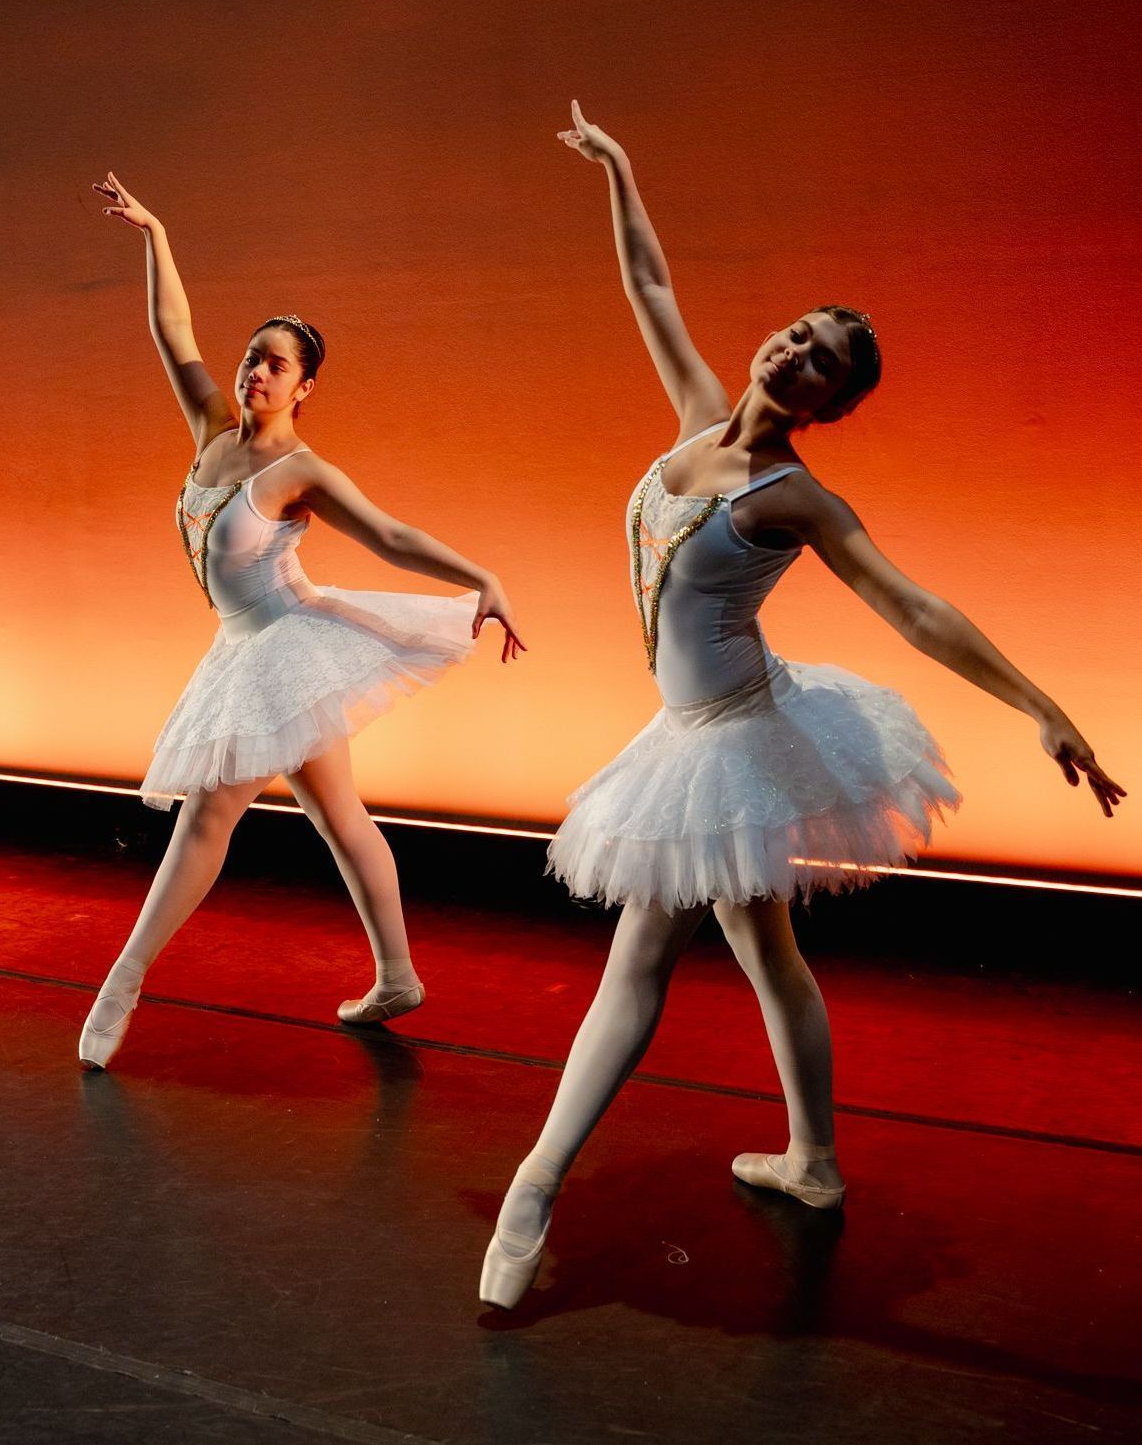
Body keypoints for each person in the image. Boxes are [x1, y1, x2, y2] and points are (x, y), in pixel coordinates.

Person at [479, 102, 1124, 1309]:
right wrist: (620, 165)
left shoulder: (794, 495)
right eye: (791, 333)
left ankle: (534, 1187)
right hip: (692, 736)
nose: (790, 353)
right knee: (768, 953)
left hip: (731, 742)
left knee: (639, 963)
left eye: (818, 357)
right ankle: (815, 1161)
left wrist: (1039, 704)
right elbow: (649, 284)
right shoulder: (692, 417)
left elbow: (915, 608)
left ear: (832, 401)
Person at [79, 172, 524, 1071]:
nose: (254, 370)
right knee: (340, 815)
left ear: (305, 386)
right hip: (244, 645)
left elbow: (391, 535)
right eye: (252, 355)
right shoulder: (210, 426)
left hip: (288, 643)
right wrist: (155, 230)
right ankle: (397, 975)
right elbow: (172, 332)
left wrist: (480, 575)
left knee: (209, 816)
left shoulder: (301, 470)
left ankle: (122, 980)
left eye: (276, 362)